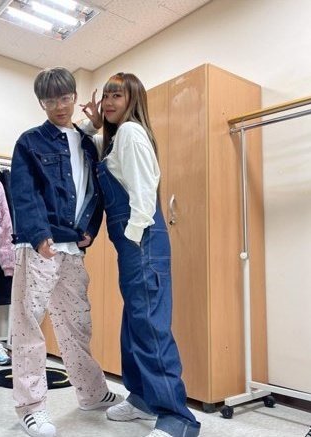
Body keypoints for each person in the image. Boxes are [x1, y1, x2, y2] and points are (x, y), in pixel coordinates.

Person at [81, 73, 201, 437]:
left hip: (142, 242)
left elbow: (145, 192)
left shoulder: (131, 133)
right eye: (106, 96)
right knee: (134, 324)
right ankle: (143, 400)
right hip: (133, 247)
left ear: (133, 100)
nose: (108, 102)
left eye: (117, 96)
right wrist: (96, 122)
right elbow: (83, 140)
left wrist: (132, 239)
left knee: (149, 327)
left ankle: (179, 418)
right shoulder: (115, 138)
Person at [10, 67, 123, 437]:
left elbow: (95, 190)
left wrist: (90, 230)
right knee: (28, 325)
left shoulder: (87, 143)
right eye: (50, 100)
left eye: (64, 97)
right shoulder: (30, 141)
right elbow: (23, 192)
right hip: (40, 246)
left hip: (73, 248)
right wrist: (38, 234)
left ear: (74, 96)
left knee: (77, 324)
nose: (59, 106)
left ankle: (91, 393)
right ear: (41, 103)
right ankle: (30, 407)